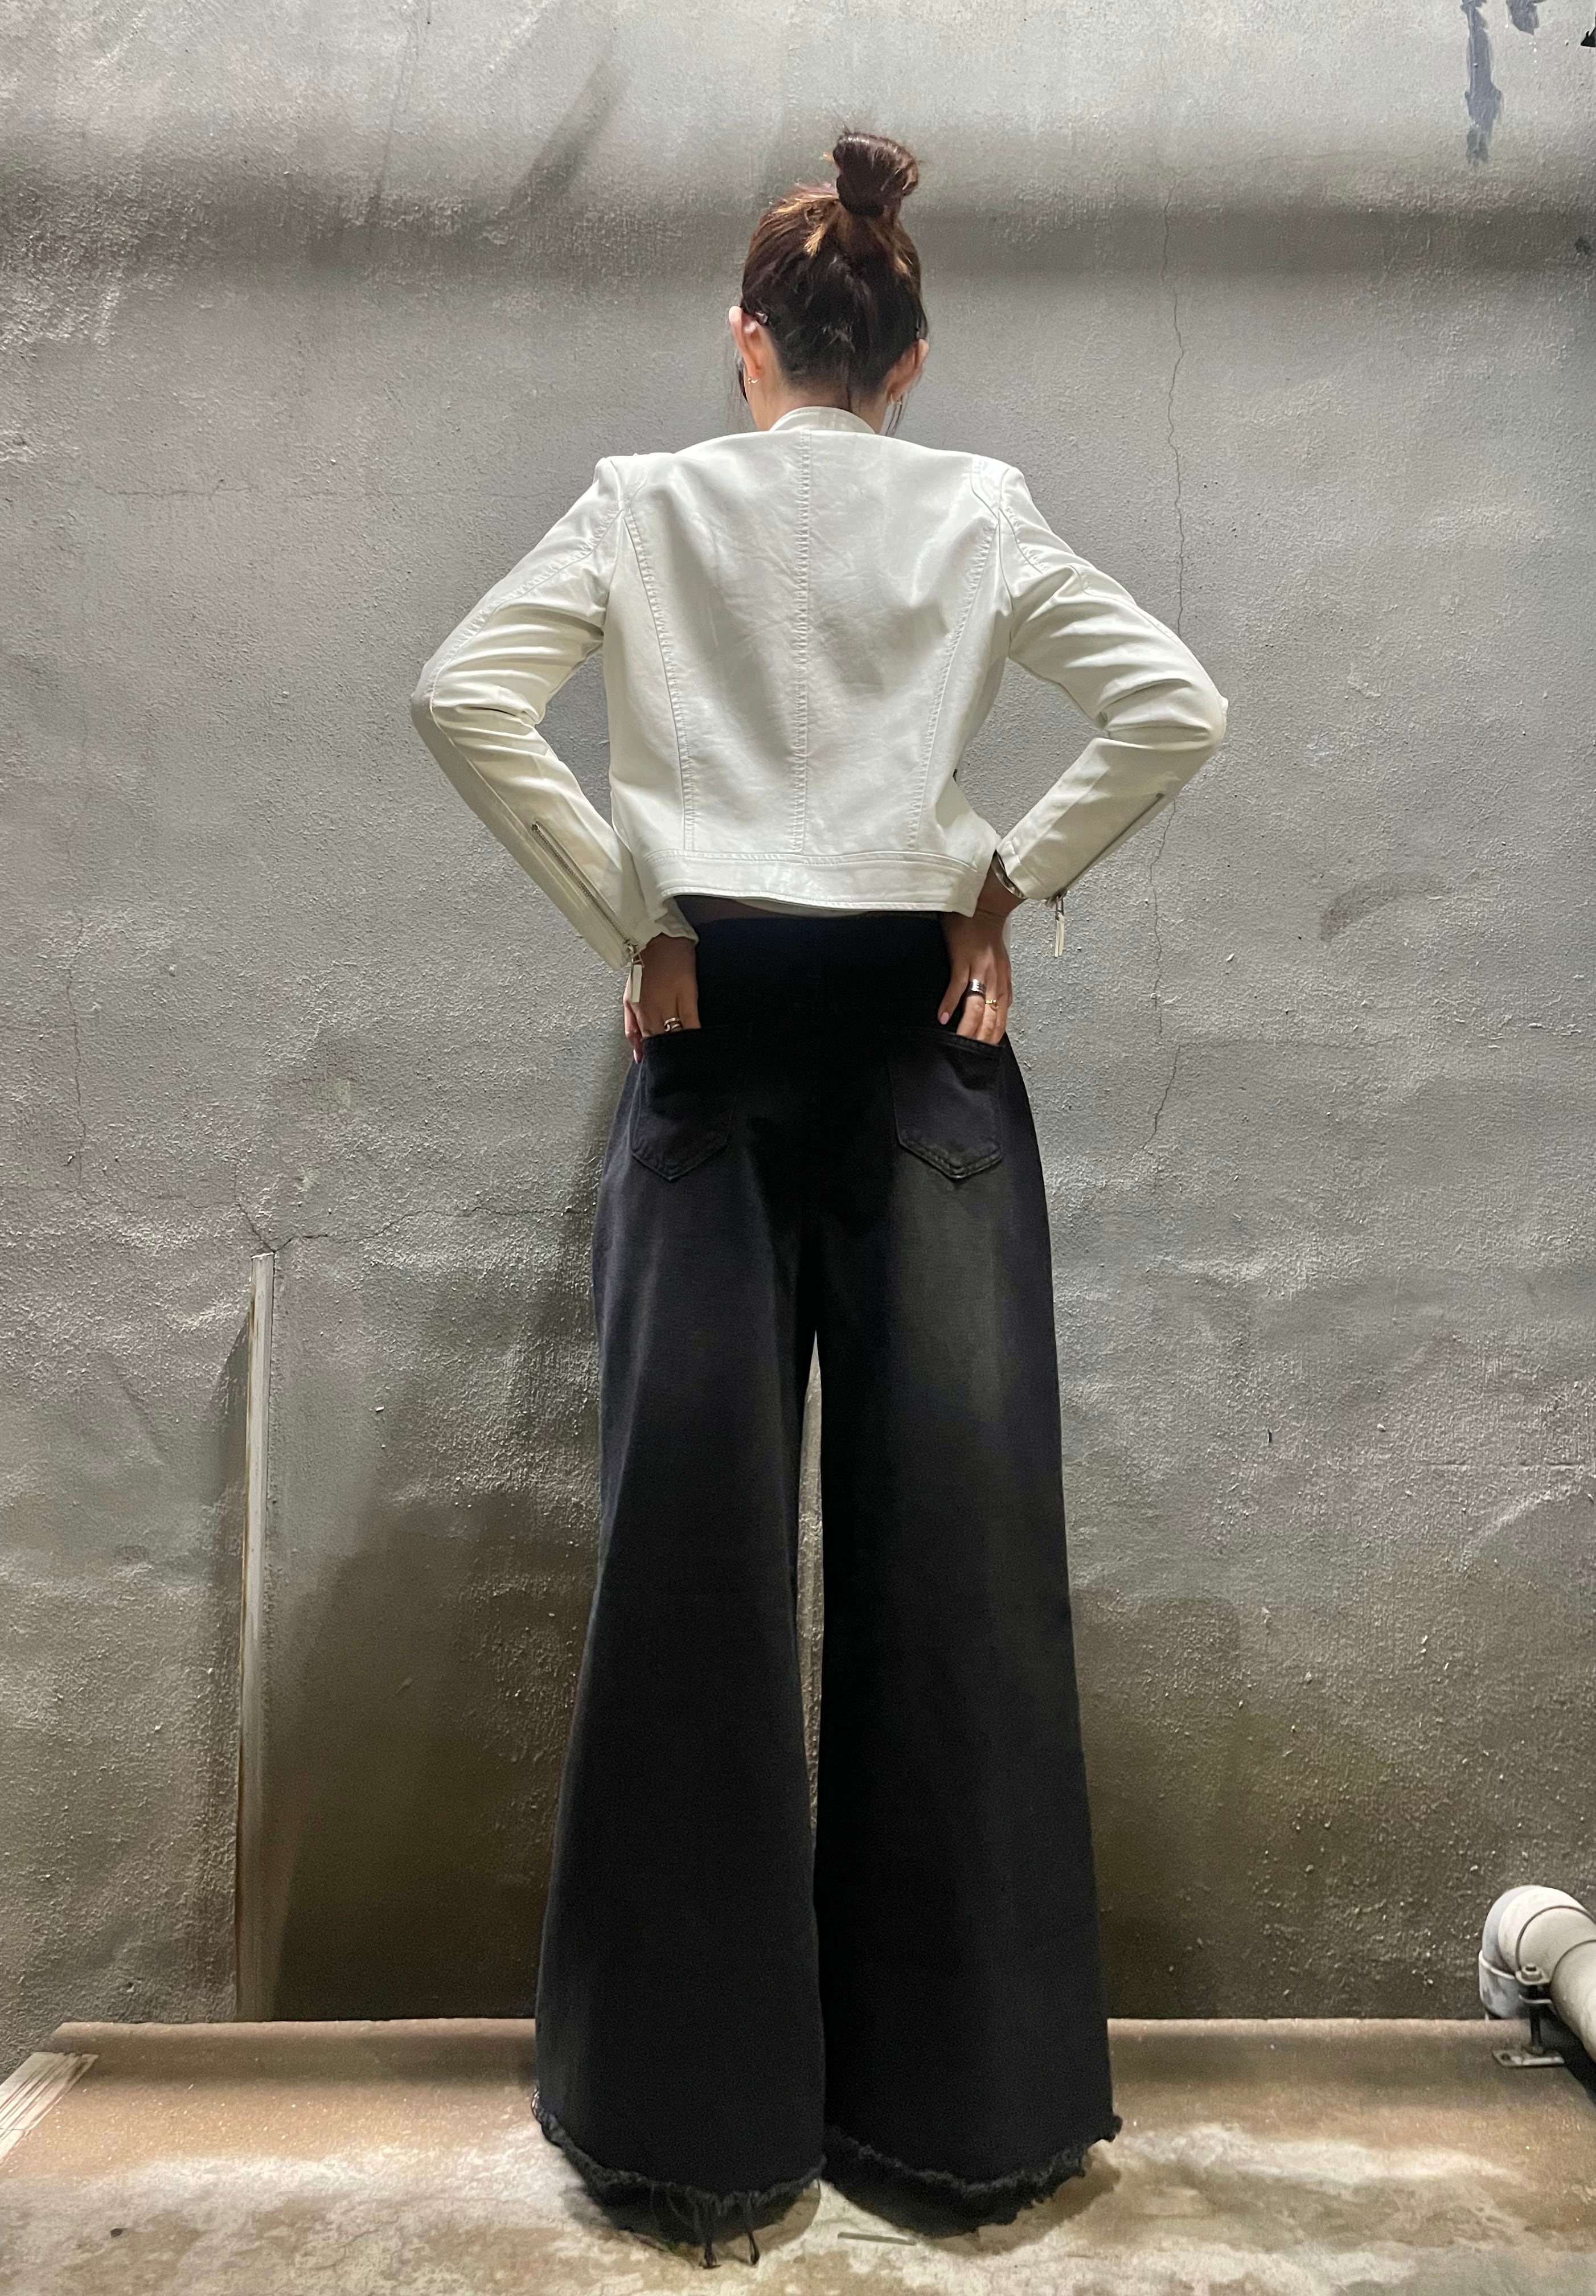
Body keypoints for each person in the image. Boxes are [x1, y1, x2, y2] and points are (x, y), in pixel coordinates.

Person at [409, 128, 1229, 2265]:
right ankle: (969, 2124)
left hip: (713, 1031)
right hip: (919, 1032)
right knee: (960, 1561)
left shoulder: (644, 500)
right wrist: (1001, 879)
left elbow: (462, 693)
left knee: (690, 1562)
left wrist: (635, 911)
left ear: (746, 343)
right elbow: (1173, 703)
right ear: (908, 357)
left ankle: (683, 2132)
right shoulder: (977, 508)